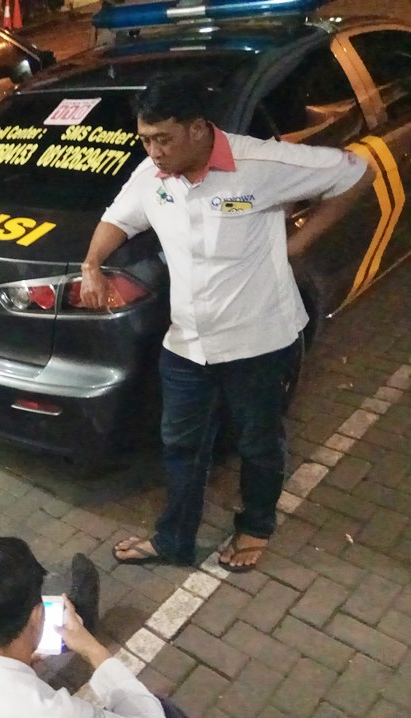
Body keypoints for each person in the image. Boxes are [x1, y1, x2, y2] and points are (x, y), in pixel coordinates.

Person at [79, 73, 374, 572]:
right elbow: (119, 218)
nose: (153, 152)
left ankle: (256, 525)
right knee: (180, 445)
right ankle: (174, 539)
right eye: (145, 140)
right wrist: (91, 264)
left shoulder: (261, 164)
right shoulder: (152, 174)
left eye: (163, 139)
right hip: (188, 345)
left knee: (258, 442)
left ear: (198, 129)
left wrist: (298, 243)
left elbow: (356, 173)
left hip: (259, 342)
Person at [0, 538, 165, 718]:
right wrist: (91, 648)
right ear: (38, 615)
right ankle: (83, 616)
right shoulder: (56, 712)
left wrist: (22, 668)